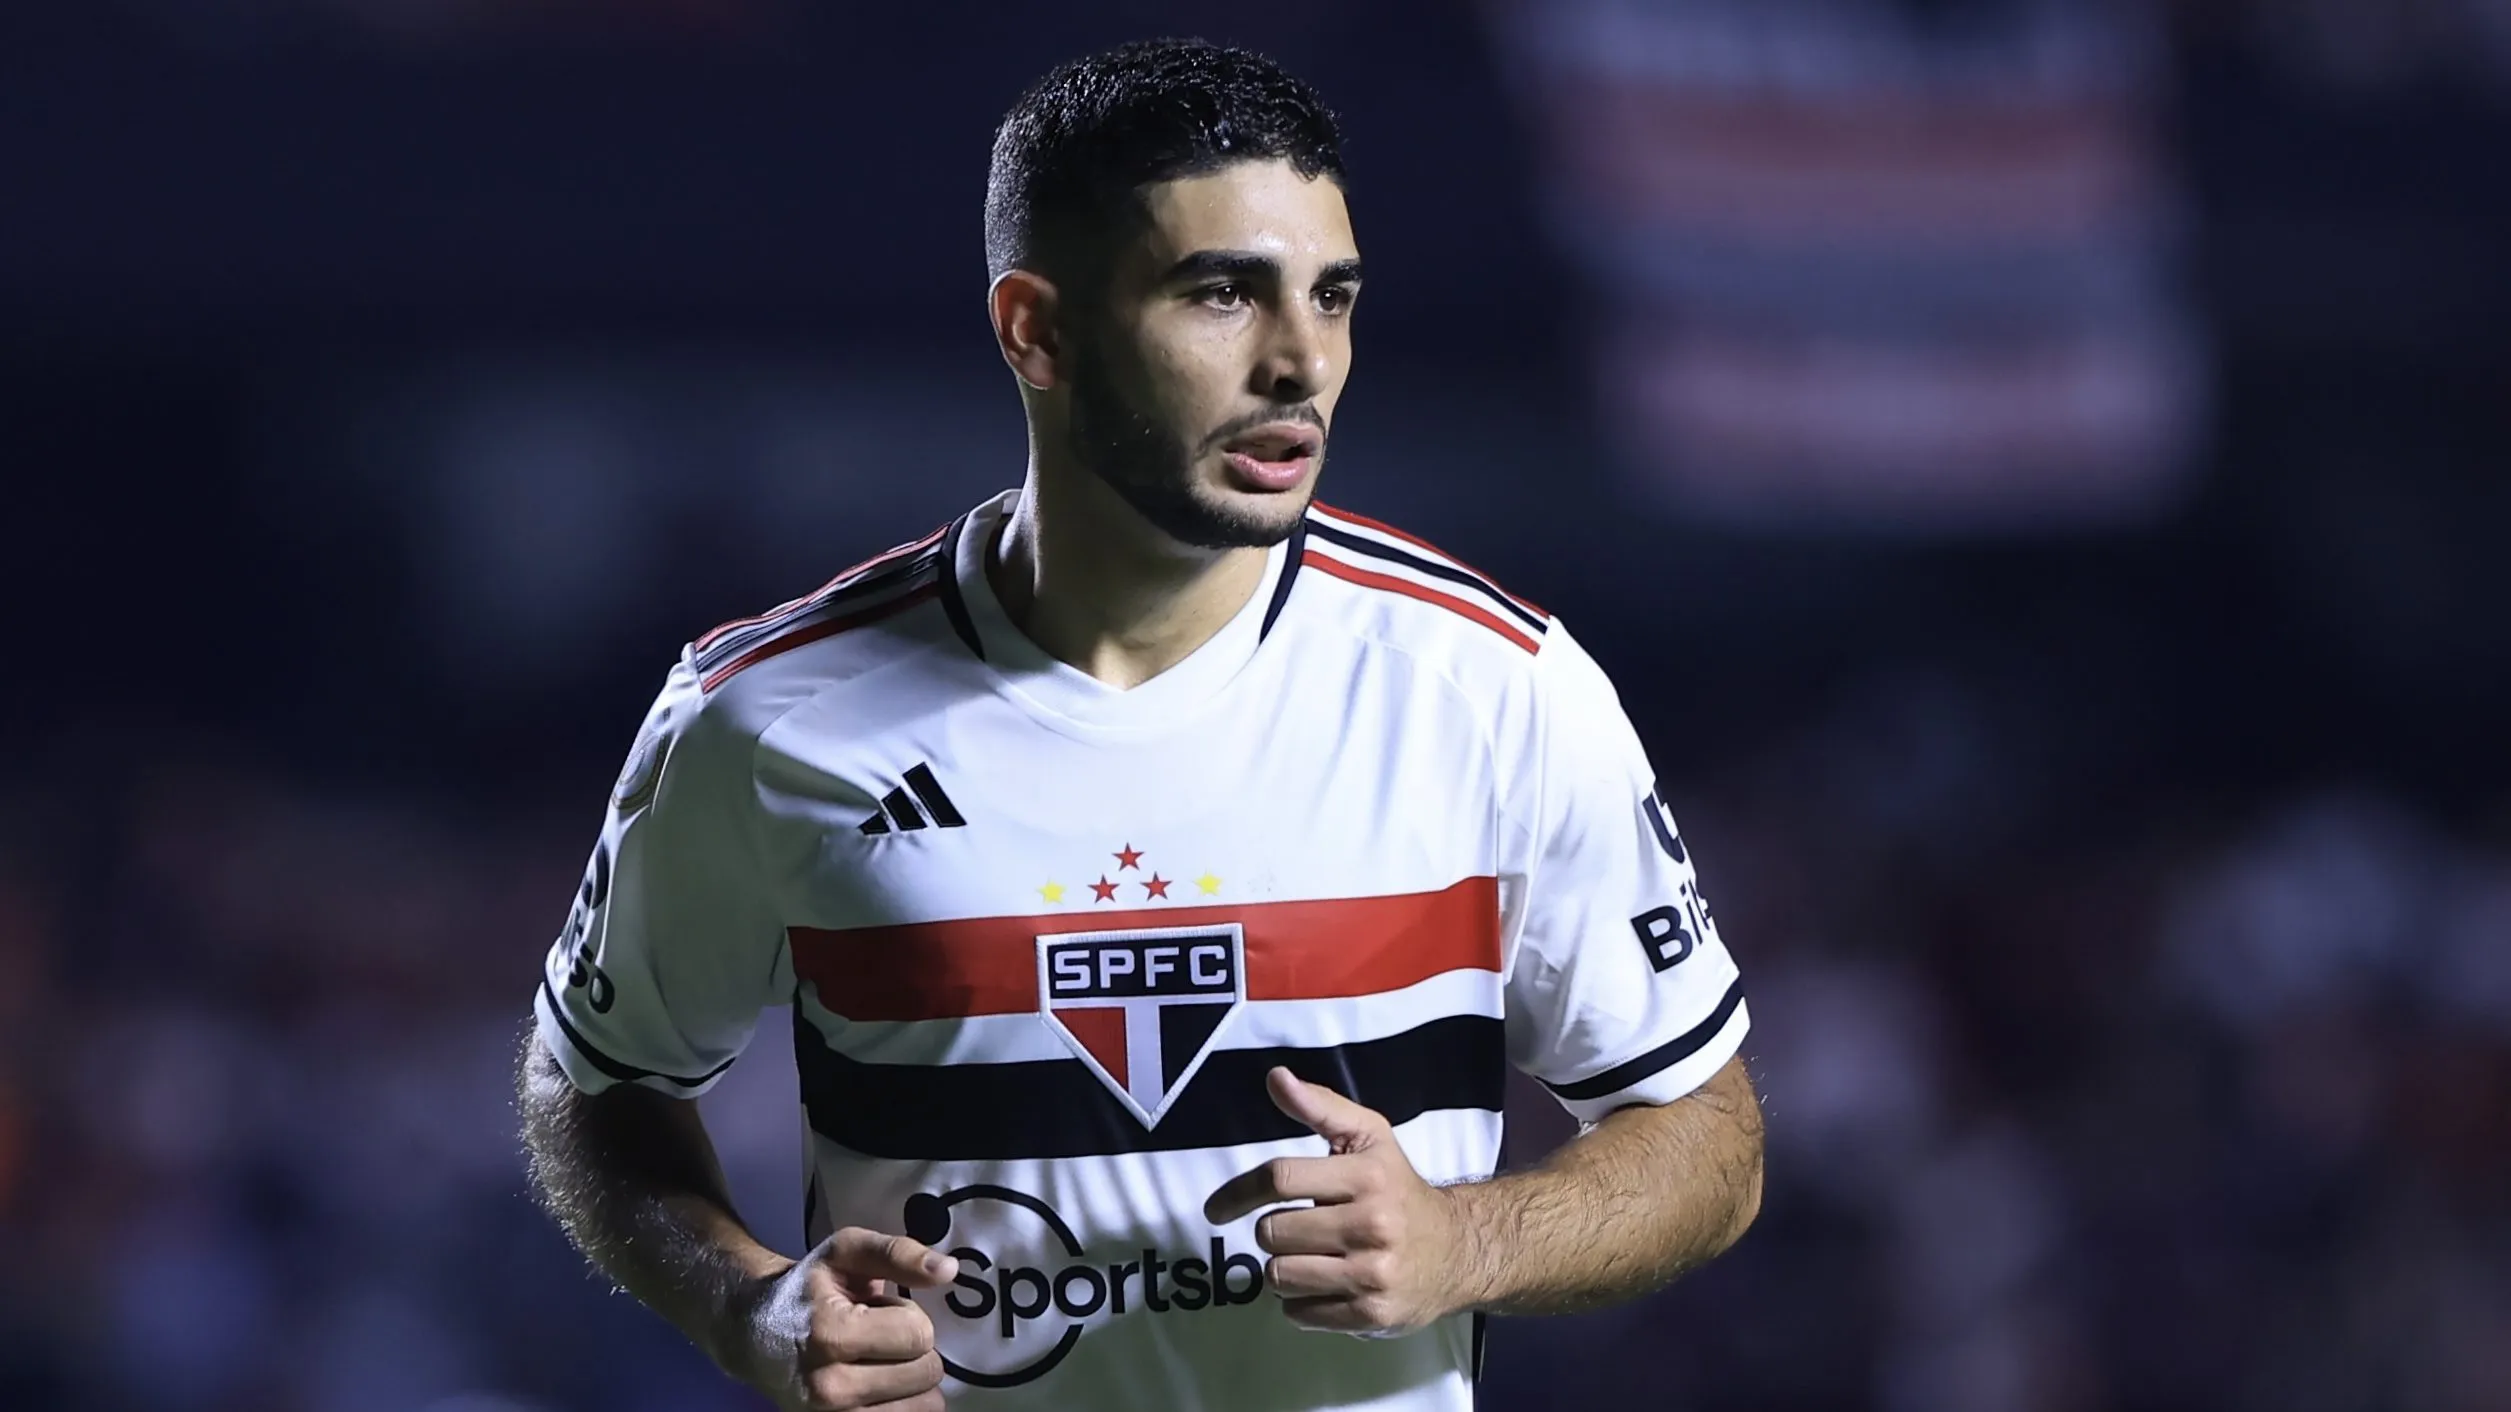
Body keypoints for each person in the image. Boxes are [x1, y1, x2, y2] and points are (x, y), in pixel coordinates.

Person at [516, 36, 1763, 1412]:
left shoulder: (1496, 689)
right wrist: (742, 1306)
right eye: (1220, 294)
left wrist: (1469, 1239)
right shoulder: (762, 718)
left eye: (1331, 297)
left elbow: (1706, 1134)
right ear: (1033, 330)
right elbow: (592, 1091)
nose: (1300, 363)